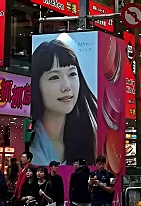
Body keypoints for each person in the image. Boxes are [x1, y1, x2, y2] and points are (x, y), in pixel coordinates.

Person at [30, 38, 97, 166]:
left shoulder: (87, 134)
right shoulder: (33, 143)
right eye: (54, 77)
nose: (66, 86)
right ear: (37, 84)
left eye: (72, 74)